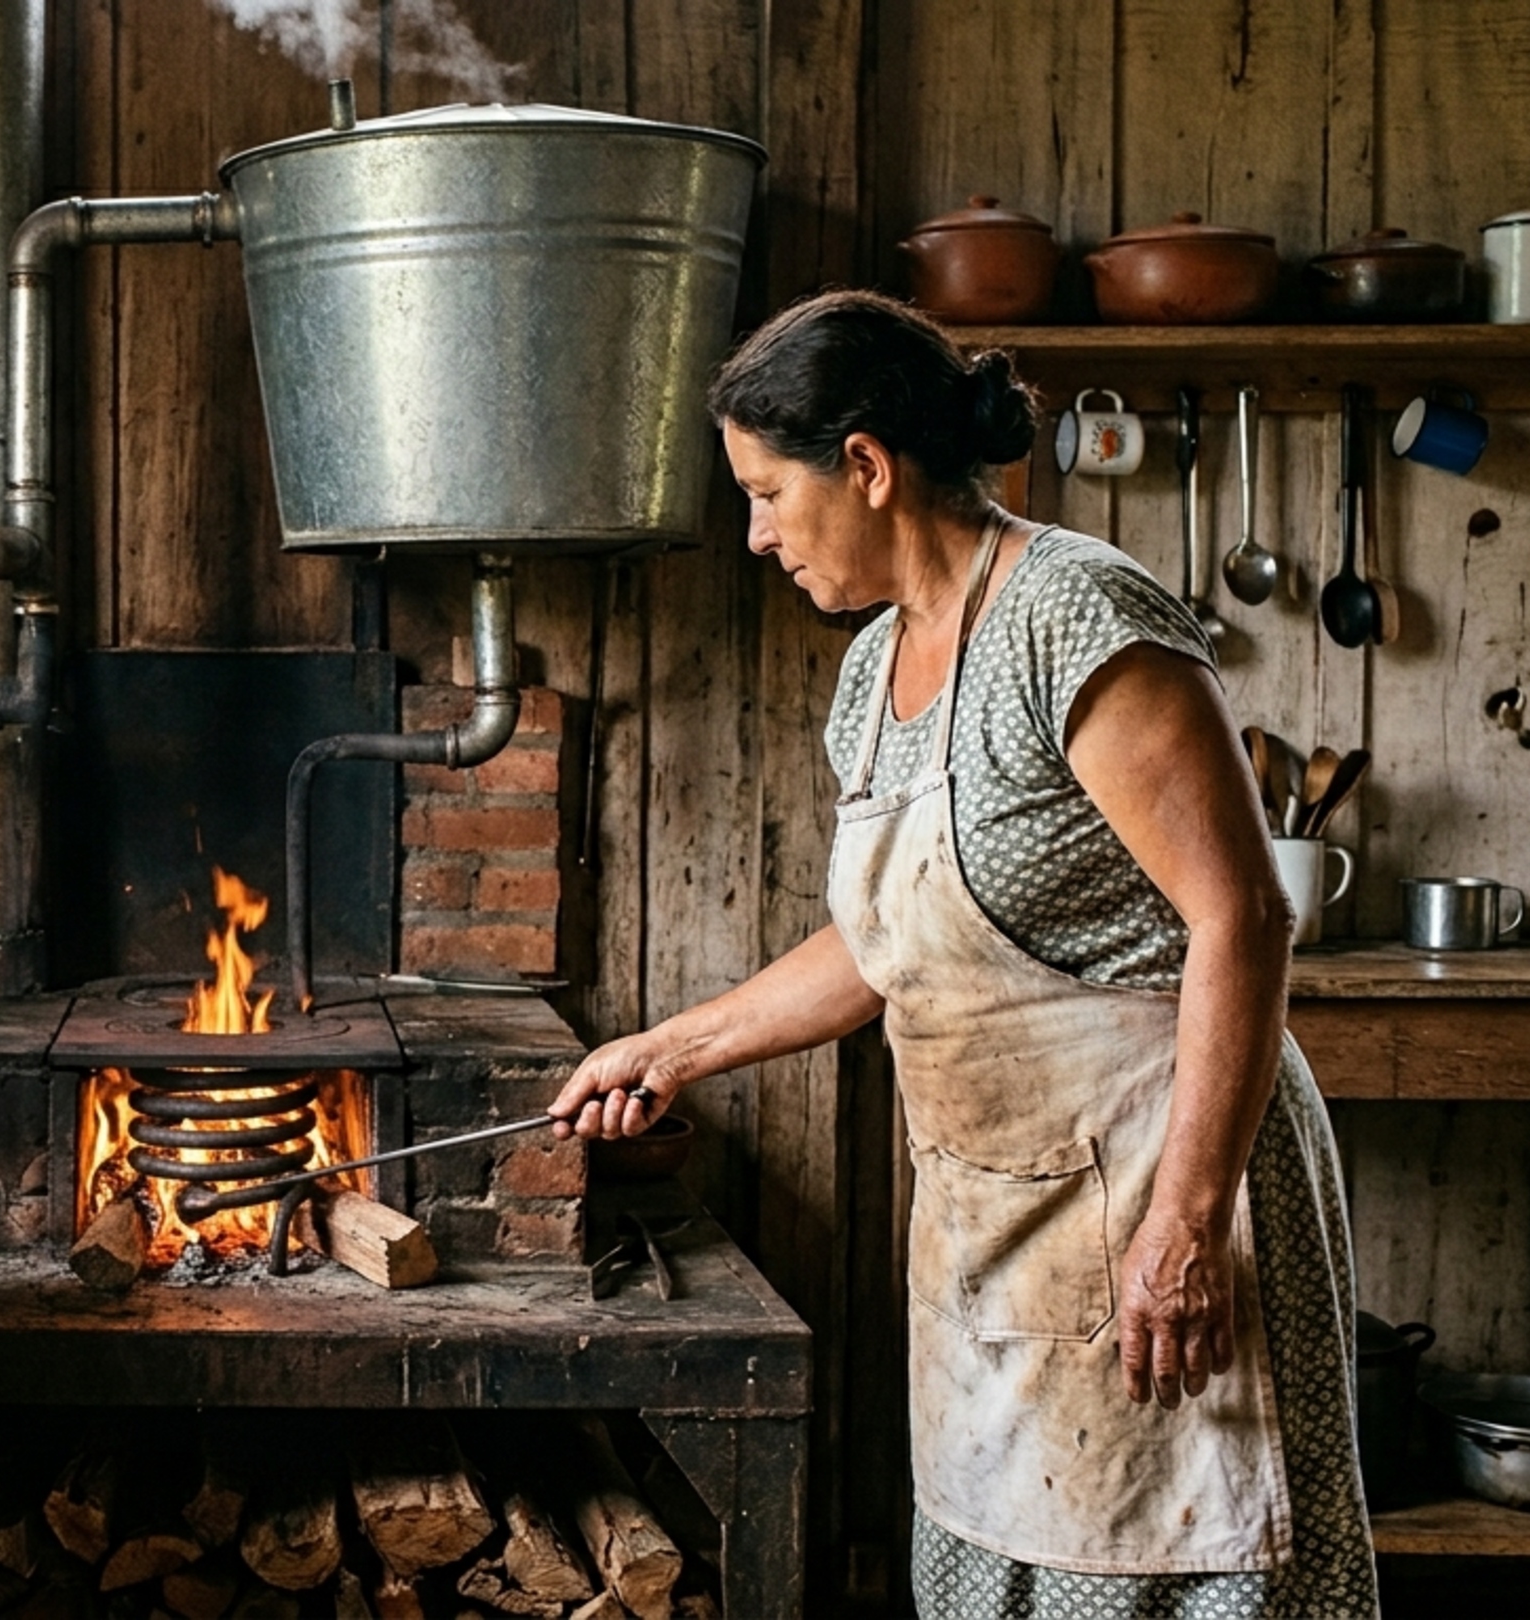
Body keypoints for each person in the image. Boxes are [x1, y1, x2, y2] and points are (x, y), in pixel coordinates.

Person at [547, 290, 1377, 1615]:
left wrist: (1184, 1227)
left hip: (1156, 1187)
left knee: (1175, 1558)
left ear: (866, 467)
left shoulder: (1078, 618)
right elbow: (893, 939)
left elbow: (1242, 920)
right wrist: (675, 1047)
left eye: (768, 495)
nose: (758, 538)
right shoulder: (873, 669)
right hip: (999, 1225)